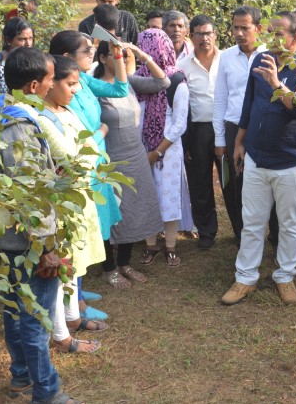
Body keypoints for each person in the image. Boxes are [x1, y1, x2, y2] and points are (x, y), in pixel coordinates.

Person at [0, 46, 88, 404]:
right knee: (35, 319)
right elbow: (28, 192)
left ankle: (21, 377)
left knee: (14, 310)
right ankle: (46, 393)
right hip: (27, 239)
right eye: (49, 79)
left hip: (5, 235)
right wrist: (47, 245)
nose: (52, 85)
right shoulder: (20, 125)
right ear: (34, 84)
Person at [221, 11, 296, 305]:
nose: (274, 38)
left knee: (289, 223)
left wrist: (278, 83)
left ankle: (285, 276)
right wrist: (240, 140)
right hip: (256, 155)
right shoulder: (260, 60)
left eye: (280, 33)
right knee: (252, 221)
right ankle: (245, 278)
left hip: (292, 160)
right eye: (272, 33)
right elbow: (249, 104)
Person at [48, 30, 128, 319]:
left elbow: (120, 89)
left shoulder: (83, 81)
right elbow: (71, 138)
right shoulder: (60, 89)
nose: (92, 53)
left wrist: (117, 54)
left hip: (97, 160)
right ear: (66, 57)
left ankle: (78, 291)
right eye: (86, 50)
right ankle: (77, 301)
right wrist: (102, 131)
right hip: (81, 161)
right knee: (76, 229)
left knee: (91, 225)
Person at [36, 56, 108, 354]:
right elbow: (72, 156)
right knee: (61, 265)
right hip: (62, 202)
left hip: (77, 195)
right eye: (71, 84)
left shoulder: (64, 110)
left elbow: (90, 148)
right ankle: (62, 335)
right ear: (50, 83)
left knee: (73, 263)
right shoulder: (41, 117)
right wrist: (82, 156)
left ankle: (72, 317)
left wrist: (83, 156)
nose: (76, 90)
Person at [94, 41, 169, 287]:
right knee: (111, 213)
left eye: (126, 57)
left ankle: (124, 263)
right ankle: (108, 268)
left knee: (133, 209)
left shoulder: (128, 83)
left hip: (136, 156)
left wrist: (141, 55)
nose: (124, 61)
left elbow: (163, 82)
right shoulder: (94, 88)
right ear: (104, 59)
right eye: (118, 56)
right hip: (110, 159)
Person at [136, 29, 194, 266]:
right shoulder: (137, 78)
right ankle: (151, 245)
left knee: (169, 196)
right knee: (146, 196)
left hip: (167, 150)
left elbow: (179, 123)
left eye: (145, 49)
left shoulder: (176, 81)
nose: (142, 56)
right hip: (141, 148)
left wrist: (157, 151)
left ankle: (170, 245)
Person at [213, 6, 267, 242]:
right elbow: (221, 98)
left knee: (264, 183)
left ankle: (271, 237)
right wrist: (220, 139)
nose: (239, 33)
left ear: (259, 28)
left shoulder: (269, 55)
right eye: (235, 27)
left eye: (245, 28)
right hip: (234, 127)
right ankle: (241, 235)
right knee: (235, 186)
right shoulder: (226, 57)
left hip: (264, 129)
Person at [178, 15, 222, 249]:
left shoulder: (227, 60)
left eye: (208, 33)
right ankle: (206, 232)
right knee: (199, 182)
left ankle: (241, 230)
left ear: (215, 35)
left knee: (232, 181)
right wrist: (184, 142)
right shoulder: (183, 66)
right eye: (199, 34)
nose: (204, 38)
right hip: (197, 130)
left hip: (224, 127)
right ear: (190, 36)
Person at [0, 16, 34, 100]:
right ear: (8, 40)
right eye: (22, 39)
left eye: (30, 38)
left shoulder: (34, 63)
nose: (28, 43)